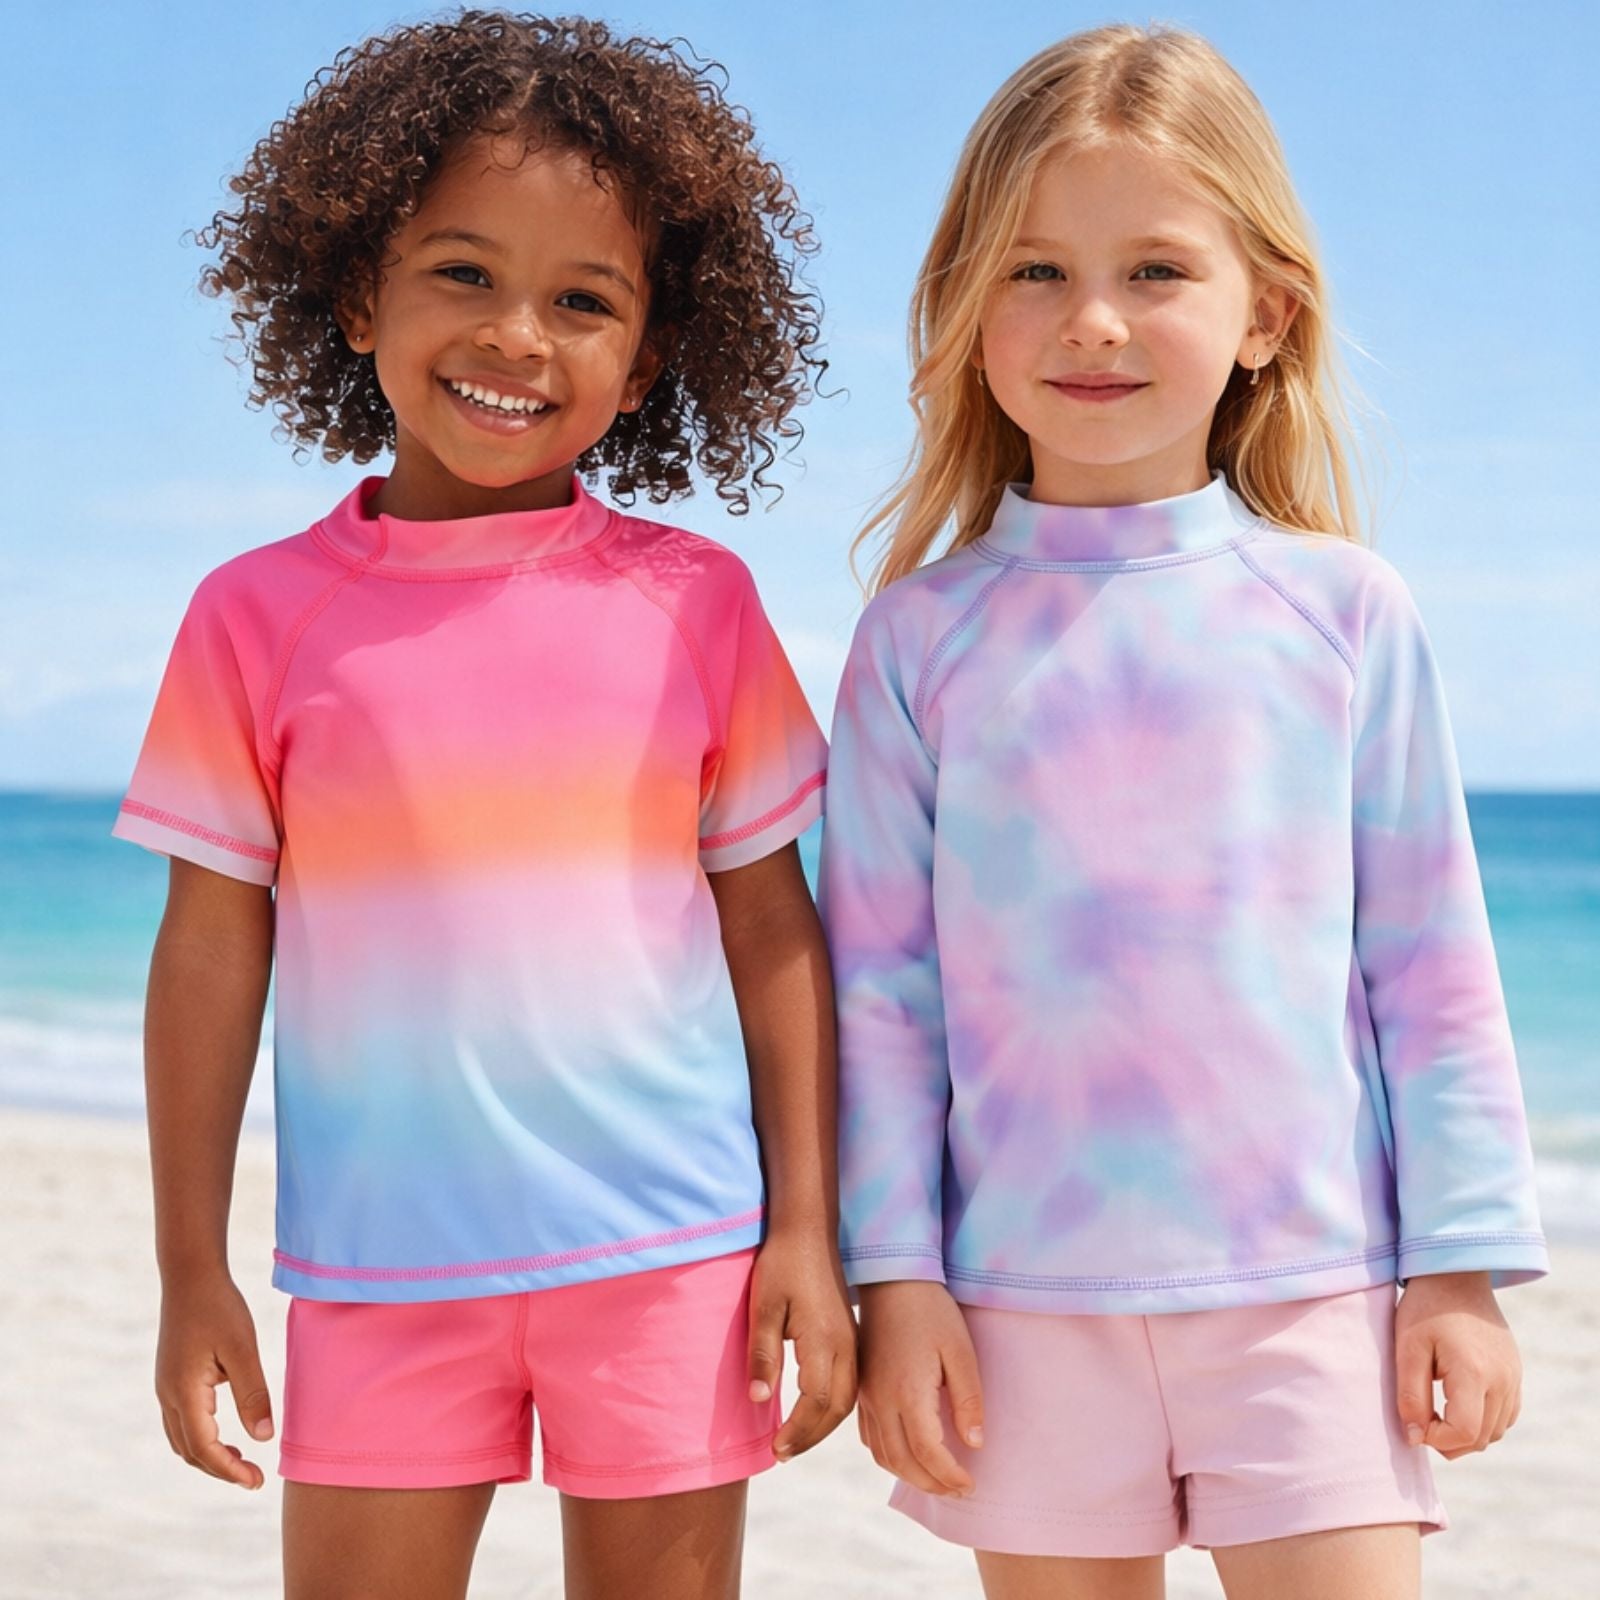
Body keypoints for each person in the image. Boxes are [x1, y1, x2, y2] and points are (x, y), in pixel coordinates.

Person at [112, 12, 854, 1597]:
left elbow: (771, 925)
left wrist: (806, 1225)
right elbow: (210, 950)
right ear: (357, 292)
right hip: (375, 1272)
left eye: (583, 300)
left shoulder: (697, 603)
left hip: (671, 1258)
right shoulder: (255, 617)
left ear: (645, 361)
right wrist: (190, 1269)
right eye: (463, 272)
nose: (518, 335)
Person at [819, 23, 1546, 1600]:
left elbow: (1428, 970)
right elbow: (879, 998)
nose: (1094, 320)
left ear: (1265, 314)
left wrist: (1459, 1270)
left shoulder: (1344, 613)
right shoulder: (916, 641)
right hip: (1015, 1314)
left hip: (1314, 1306)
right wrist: (898, 1279)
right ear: (965, 311)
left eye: (1156, 271)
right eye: (1034, 272)